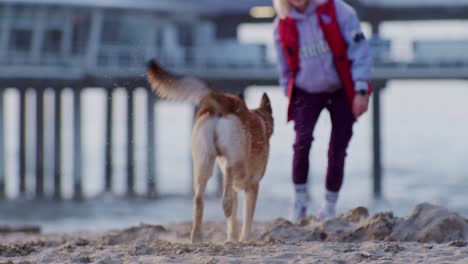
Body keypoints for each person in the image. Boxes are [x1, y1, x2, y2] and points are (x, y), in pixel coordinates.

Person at [272, 0, 372, 222]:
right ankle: (299, 202)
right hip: (307, 90)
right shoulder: (281, 23)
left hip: (341, 89)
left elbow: (360, 50)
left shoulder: (339, 11)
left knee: (338, 147)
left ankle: (329, 206)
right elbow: (284, 66)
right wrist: (289, 92)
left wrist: (362, 89)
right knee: (302, 141)